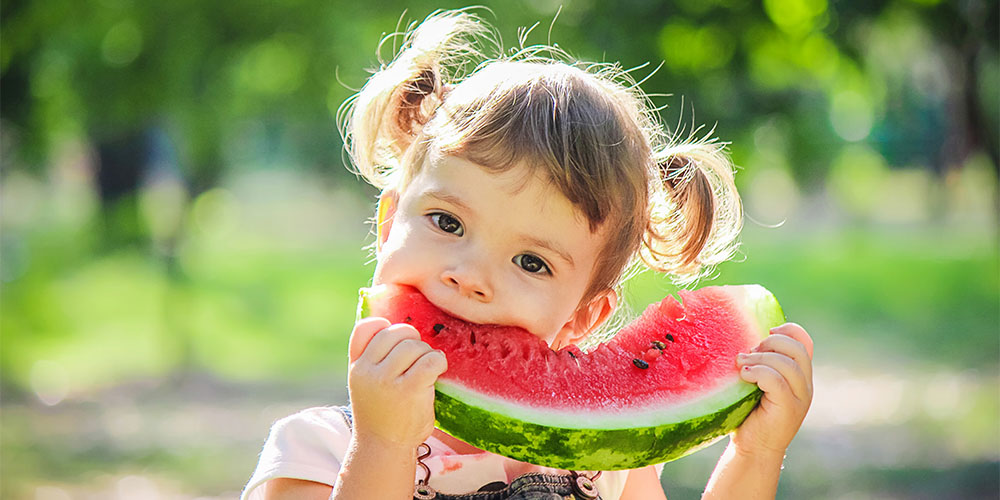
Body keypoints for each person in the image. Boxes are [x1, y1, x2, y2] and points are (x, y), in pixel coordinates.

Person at [241, 9, 814, 500]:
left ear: (583, 316)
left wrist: (755, 456)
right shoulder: (316, 450)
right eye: (447, 222)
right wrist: (385, 444)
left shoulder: (610, 464)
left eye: (532, 262)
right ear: (390, 221)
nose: (470, 277)